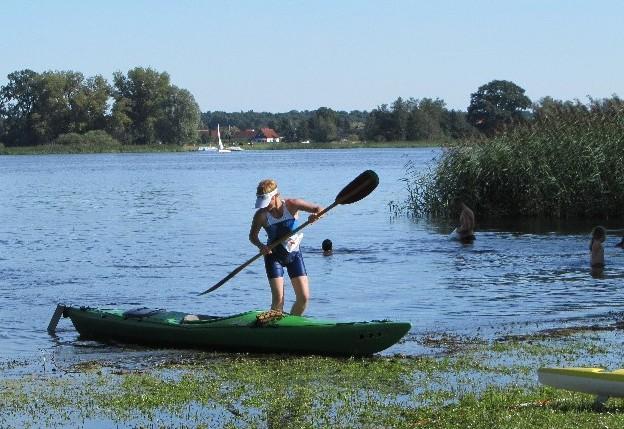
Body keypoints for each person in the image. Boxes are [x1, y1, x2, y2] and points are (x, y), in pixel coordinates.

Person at [249, 179, 323, 316]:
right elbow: (253, 236)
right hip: (273, 256)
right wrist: (261, 246)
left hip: (294, 255)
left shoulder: (292, 205)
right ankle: (273, 325)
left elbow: (319, 209)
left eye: (267, 202)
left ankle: (291, 323)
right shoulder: (261, 215)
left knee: (304, 298)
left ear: (276, 196)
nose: (264, 207)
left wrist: (315, 216)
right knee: (278, 300)